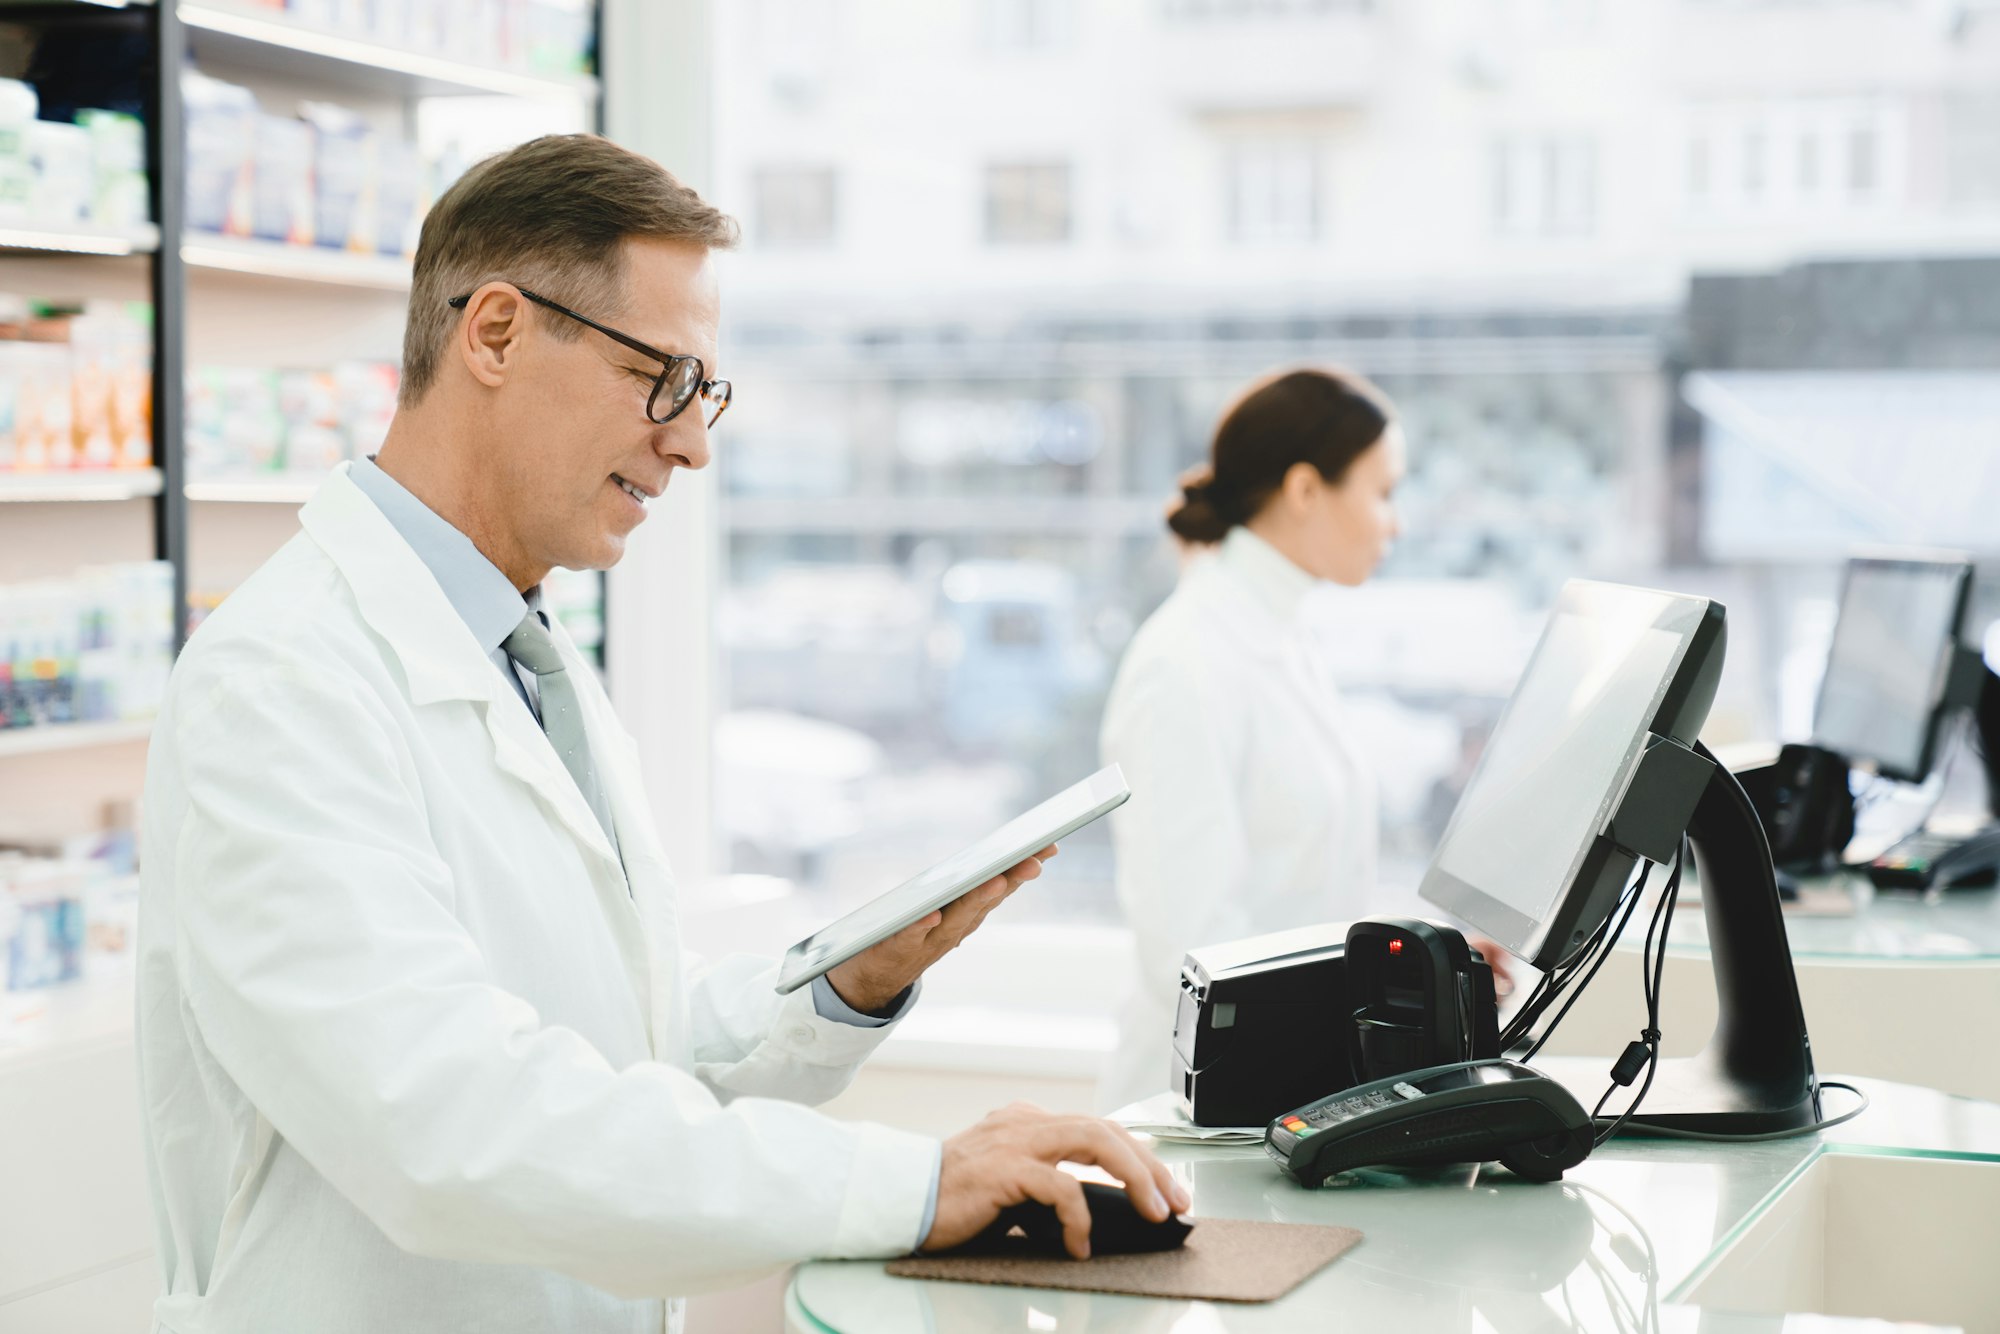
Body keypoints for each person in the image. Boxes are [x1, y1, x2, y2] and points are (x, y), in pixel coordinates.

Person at [135, 135, 1184, 1334]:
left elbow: (612, 1045)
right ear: (493, 331)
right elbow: (442, 1118)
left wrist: (834, 988)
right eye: (664, 381)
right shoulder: (282, 680)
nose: (690, 442)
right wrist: (916, 1182)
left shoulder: (519, 649)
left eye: (706, 395)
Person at [1097, 368, 1508, 1113]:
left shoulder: (1284, 639)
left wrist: (1420, 958)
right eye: (1382, 493)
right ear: (1305, 490)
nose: (1397, 523)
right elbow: (1193, 949)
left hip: (1290, 1091)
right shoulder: (1184, 665)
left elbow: (1304, 888)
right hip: (1202, 1113)